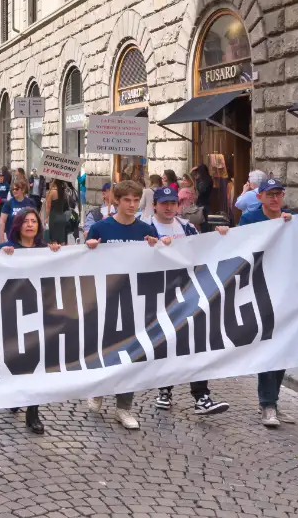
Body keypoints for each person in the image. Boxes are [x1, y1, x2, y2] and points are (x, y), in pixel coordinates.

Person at [235, 178, 298, 427]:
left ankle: (274, 401)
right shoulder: (250, 219)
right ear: (259, 197)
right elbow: (238, 249)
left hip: (290, 290)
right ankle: (267, 404)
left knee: (285, 346)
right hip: (261, 290)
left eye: (279, 194)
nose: (275, 199)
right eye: (270, 194)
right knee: (269, 345)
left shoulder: (292, 220)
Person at [140, 187, 230, 415]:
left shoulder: (188, 227)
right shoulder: (145, 228)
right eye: (164, 203)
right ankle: (164, 390)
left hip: (190, 292)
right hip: (161, 295)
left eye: (173, 203)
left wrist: (221, 236)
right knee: (169, 342)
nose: (169, 207)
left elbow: (204, 249)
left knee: (198, 342)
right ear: (155, 205)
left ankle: (202, 396)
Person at [84, 180, 160, 430]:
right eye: (126, 200)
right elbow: (84, 262)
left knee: (131, 352)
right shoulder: (101, 228)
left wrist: (159, 247)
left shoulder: (145, 230)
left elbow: (161, 262)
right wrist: (89, 248)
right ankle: (99, 388)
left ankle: (124, 407)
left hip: (134, 300)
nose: (131, 204)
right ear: (116, 200)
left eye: (135, 200)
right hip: (105, 298)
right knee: (105, 348)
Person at [0, 208, 61, 434]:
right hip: (11, 313)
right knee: (15, 358)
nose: (30, 225)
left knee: (37, 361)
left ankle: (33, 413)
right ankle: (16, 394)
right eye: (25, 221)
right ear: (18, 225)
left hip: (39, 313)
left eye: (34, 221)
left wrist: (56, 252)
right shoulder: (4, 249)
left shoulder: (46, 249)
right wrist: (1, 255)